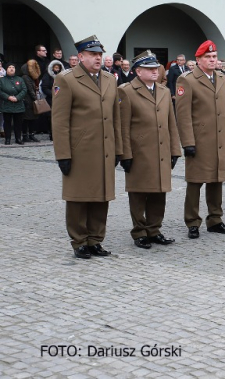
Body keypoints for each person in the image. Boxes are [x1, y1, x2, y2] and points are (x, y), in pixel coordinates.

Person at [52, 35, 122, 259]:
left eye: (100, 54)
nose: (98, 58)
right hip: (80, 150)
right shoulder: (67, 79)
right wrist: (63, 154)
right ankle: (79, 241)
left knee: (102, 196)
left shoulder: (110, 79)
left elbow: (116, 118)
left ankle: (95, 239)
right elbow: (60, 120)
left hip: (105, 149)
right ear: (80, 57)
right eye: (93, 54)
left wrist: (118, 149)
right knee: (78, 197)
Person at [118, 50, 182, 249]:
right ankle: (139, 231)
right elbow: (123, 126)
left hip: (161, 152)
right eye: (149, 68)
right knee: (138, 193)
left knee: (158, 192)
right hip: (139, 152)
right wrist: (125, 154)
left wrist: (174, 150)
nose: (155, 71)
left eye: (156, 68)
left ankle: (154, 229)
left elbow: (172, 123)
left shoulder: (163, 91)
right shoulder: (126, 91)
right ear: (138, 71)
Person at [175, 40, 225, 239]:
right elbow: (183, 115)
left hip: (218, 139)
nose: (212, 60)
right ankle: (192, 222)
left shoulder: (221, 78)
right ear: (199, 60)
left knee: (217, 181)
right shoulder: (188, 80)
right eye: (208, 57)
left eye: (214, 57)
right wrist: (188, 143)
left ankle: (215, 219)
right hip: (199, 140)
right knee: (195, 182)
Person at [0, 63, 26, 145]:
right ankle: (7, 139)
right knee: (7, 123)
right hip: (7, 104)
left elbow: (24, 90)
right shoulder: (2, 80)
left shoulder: (20, 79)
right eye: (9, 67)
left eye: (13, 67)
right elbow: (0, 91)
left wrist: (17, 97)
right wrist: (8, 97)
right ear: (6, 69)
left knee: (18, 123)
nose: (11, 69)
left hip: (18, 104)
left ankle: (18, 138)